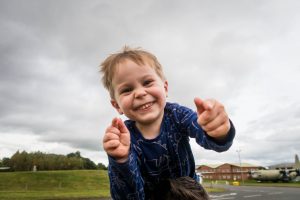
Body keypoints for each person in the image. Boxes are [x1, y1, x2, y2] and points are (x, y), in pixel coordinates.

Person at [100, 46, 235, 200]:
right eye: (127, 90)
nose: (140, 93)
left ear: (165, 88)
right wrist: (121, 160)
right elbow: (128, 196)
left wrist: (217, 130)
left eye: (147, 82)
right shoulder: (124, 139)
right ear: (117, 105)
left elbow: (213, 141)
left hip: (190, 195)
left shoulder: (177, 115)